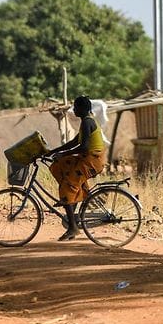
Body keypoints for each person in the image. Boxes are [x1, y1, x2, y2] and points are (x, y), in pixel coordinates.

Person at [47, 95, 107, 241]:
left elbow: (83, 147)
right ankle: (72, 204)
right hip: (87, 158)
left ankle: (73, 227)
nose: (74, 109)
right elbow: (74, 142)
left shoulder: (87, 122)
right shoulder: (85, 122)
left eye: (76, 107)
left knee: (67, 187)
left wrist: (63, 153)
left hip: (92, 160)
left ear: (82, 108)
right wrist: (55, 151)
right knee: (60, 165)